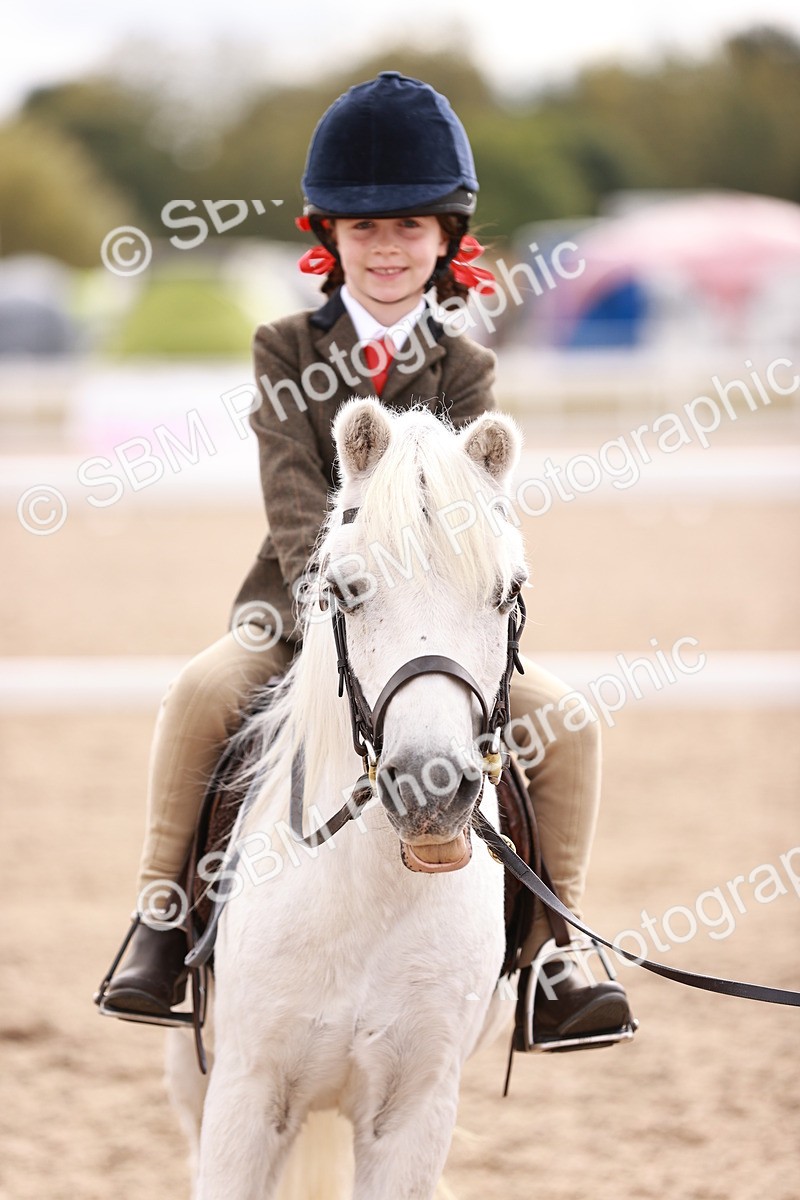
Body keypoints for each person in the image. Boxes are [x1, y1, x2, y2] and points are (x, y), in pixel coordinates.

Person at [99, 71, 632, 1047]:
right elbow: (295, 500)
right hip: (299, 608)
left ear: (445, 244)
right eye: (364, 230)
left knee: (567, 724)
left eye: (409, 230)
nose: (386, 250)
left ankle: (557, 954)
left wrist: (418, 618)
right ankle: (160, 921)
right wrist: (336, 599)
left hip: (430, 626)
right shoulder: (281, 348)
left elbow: (468, 513)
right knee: (199, 691)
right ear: (329, 239)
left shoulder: (467, 368)